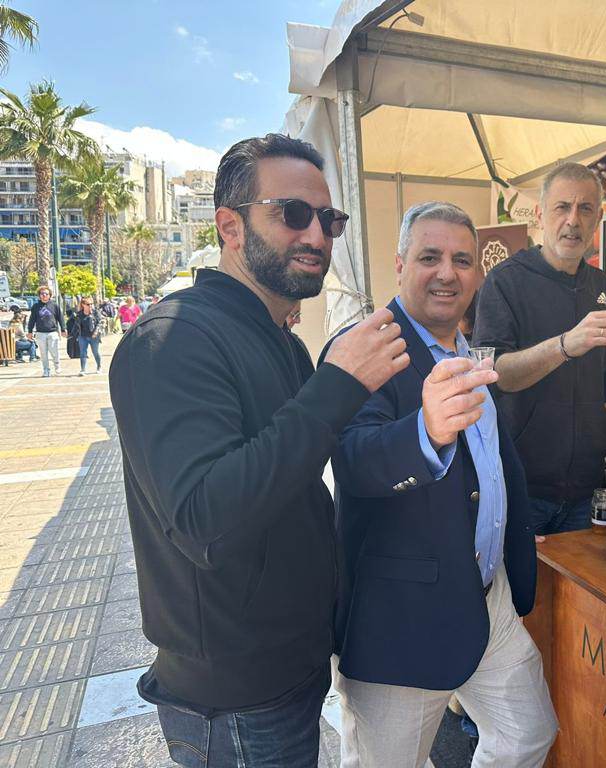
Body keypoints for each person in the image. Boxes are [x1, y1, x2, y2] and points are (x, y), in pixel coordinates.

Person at [109, 133, 409, 768]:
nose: (316, 235)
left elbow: (293, 478)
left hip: (293, 668)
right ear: (230, 227)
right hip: (234, 701)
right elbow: (206, 518)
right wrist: (339, 385)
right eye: (291, 213)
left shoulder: (282, 342)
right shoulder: (172, 338)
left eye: (329, 220)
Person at [326, 201, 558, 768]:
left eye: (462, 260)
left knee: (528, 734)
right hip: (400, 616)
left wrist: (508, 527)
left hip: (484, 594)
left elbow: (489, 462)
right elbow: (352, 460)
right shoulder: (365, 345)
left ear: (479, 274)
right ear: (400, 264)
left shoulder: (467, 349)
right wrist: (425, 431)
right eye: (430, 257)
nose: (447, 273)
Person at [473, 163, 606, 535]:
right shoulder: (505, 282)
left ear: (598, 219)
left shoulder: (605, 288)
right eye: (562, 207)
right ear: (541, 214)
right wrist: (564, 345)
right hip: (525, 487)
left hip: (590, 490)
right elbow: (495, 375)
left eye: (585, 209)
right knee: (525, 576)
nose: (573, 220)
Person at [26, 285, 65, 377]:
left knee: (54, 351)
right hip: (40, 333)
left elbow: (60, 318)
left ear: (50, 295)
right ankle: (46, 370)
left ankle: (57, 365)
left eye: (46, 294)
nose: (44, 295)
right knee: (43, 354)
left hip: (52, 332)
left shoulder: (54, 305)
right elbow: (32, 320)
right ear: (39, 295)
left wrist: (63, 329)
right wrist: (30, 331)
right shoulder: (36, 306)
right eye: (42, 294)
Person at [76, 297, 102, 376]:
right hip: (83, 336)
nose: (90, 306)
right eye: (88, 304)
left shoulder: (95, 312)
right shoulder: (79, 314)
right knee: (83, 353)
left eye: (91, 304)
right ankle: (83, 369)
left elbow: (100, 323)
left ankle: (99, 367)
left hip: (94, 336)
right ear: (83, 305)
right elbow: (76, 325)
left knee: (95, 352)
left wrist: (96, 332)